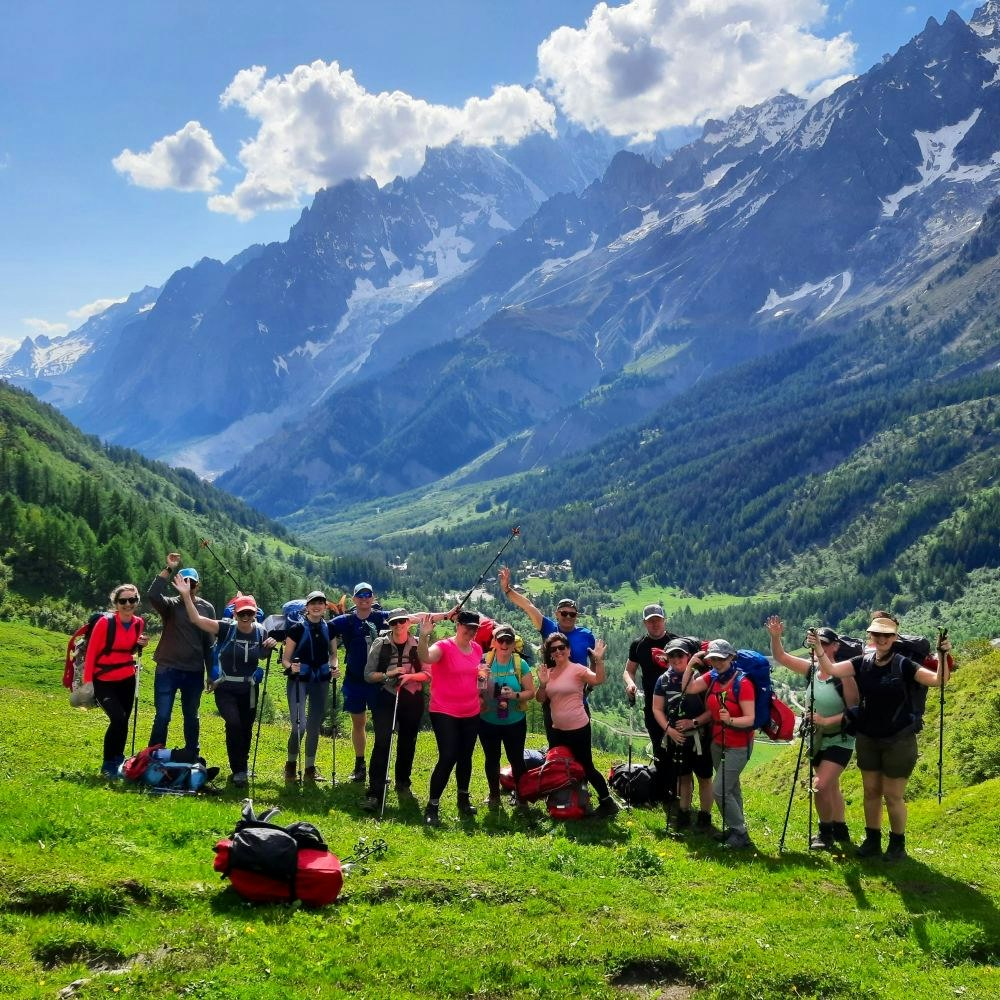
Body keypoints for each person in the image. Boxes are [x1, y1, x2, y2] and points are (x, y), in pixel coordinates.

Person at [815, 612, 950, 861]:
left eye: (886, 635)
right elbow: (830, 668)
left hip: (899, 739)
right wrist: (818, 648)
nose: (881, 639)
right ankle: (872, 841)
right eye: (877, 634)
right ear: (871, 636)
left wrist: (942, 655)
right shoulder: (862, 662)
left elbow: (937, 680)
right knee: (870, 792)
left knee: (893, 795)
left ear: (894, 637)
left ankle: (897, 845)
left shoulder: (903, 664)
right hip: (868, 737)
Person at [766, 615, 858, 849]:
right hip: (817, 738)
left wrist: (825, 721)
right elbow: (781, 657)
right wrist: (775, 637)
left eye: (823, 643)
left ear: (835, 646)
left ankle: (825, 834)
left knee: (820, 785)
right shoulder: (812, 670)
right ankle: (840, 829)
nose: (819, 647)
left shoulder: (844, 675)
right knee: (831, 786)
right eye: (815, 643)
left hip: (840, 739)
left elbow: (854, 711)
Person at [176, 580, 277, 787]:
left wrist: (270, 645)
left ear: (255, 614)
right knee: (234, 723)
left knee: (246, 727)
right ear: (235, 614)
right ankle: (238, 769)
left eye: (249, 613)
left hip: (249, 689)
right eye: (242, 614)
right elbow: (196, 619)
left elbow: (263, 655)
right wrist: (186, 595)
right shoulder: (224, 628)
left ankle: (242, 766)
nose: (246, 617)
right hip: (225, 687)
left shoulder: (261, 632)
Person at [680, 640, 757, 849]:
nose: (716, 662)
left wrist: (730, 720)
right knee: (731, 788)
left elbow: (750, 719)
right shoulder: (712, 677)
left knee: (720, 790)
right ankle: (736, 828)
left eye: (721, 658)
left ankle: (740, 833)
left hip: (739, 744)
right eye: (713, 658)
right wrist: (690, 665)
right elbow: (688, 688)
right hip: (717, 742)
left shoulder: (743, 683)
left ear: (731, 657)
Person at [536, 631, 618, 818]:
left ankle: (607, 802)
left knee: (586, 766)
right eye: (553, 649)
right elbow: (540, 699)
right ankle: (567, 801)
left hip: (578, 728)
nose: (558, 651)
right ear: (550, 654)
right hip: (557, 729)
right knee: (560, 765)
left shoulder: (578, 669)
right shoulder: (548, 673)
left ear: (569, 650)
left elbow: (599, 679)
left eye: (561, 647)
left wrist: (598, 661)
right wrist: (542, 684)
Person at [417, 609, 485, 826]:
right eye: (467, 628)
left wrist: (482, 689)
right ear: (458, 625)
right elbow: (425, 657)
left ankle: (463, 799)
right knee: (448, 756)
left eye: (474, 629)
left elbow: (479, 675)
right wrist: (424, 635)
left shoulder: (477, 649)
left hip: (471, 711)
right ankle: (432, 806)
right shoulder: (443, 647)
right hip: (444, 711)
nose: (471, 632)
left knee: (466, 757)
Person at [361, 609, 430, 811]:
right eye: (394, 623)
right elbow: (368, 675)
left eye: (402, 621)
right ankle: (375, 791)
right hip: (386, 696)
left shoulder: (418, 645)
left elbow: (428, 674)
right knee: (383, 742)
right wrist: (388, 674)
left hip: (412, 697)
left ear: (409, 622)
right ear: (389, 625)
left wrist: (410, 677)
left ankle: (403, 783)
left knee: (408, 742)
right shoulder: (380, 644)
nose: (398, 625)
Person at [147, 553, 215, 755]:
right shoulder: (170, 604)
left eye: (191, 583)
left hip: (194, 671)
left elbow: (209, 643)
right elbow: (153, 594)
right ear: (177, 584)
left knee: (191, 715)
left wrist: (211, 673)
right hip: (167, 668)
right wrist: (168, 568)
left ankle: (192, 753)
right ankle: (154, 754)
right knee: (162, 716)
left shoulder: (207, 608)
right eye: (184, 582)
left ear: (197, 585)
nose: (188, 586)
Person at [650, 638, 714, 831]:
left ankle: (704, 817)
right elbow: (657, 708)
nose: (676, 659)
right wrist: (669, 730)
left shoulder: (701, 678)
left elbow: (712, 711)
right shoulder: (663, 680)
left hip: (700, 737)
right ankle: (684, 812)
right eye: (672, 656)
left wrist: (693, 722)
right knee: (683, 777)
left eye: (680, 655)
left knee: (704, 777)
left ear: (688, 657)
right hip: (677, 738)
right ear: (667, 658)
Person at [86, 583, 148, 777]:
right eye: (123, 601)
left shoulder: (138, 623)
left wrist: (141, 644)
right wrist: (88, 682)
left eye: (132, 600)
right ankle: (108, 764)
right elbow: (91, 653)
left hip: (127, 678)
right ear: (116, 603)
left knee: (124, 721)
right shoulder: (105, 623)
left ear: (137, 601)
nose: (128, 604)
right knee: (118, 718)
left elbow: (129, 650)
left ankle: (118, 759)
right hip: (103, 680)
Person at [622, 604, 678, 807]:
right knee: (659, 748)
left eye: (658, 620)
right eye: (650, 621)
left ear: (664, 620)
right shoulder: (639, 645)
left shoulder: (676, 643)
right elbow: (629, 670)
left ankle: (678, 793)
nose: (655, 624)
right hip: (652, 705)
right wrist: (630, 684)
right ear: (645, 623)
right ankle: (664, 792)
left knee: (678, 751)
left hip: (676, 704)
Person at [282, 590, 340, 784]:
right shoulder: (296, 629)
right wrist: (291, 667)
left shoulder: (330, 627)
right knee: (299, 726)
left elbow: (333, 654)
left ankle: (309, 769)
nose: (316, 606)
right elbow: (285, 659)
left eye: (320, 603)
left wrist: (334, 667)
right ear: (306, 607)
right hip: (298, 680)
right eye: (313, 603)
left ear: (325, 607)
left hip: (321, 679)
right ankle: (291, 766)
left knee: (314, 727)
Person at [478, 622, 536, 809]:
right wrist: (485, 690)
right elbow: (477, 690)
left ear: (513, 643)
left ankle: (521, 797)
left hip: (514, 721)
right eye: (500, 640)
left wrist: (514, 695)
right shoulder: (484, 661)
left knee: (516, 759)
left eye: (508, 641)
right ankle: (494, 795)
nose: (504, 644)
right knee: (491, 759)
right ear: (494, 642)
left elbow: (531, 692)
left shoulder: (520, 664)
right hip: (488, 720)